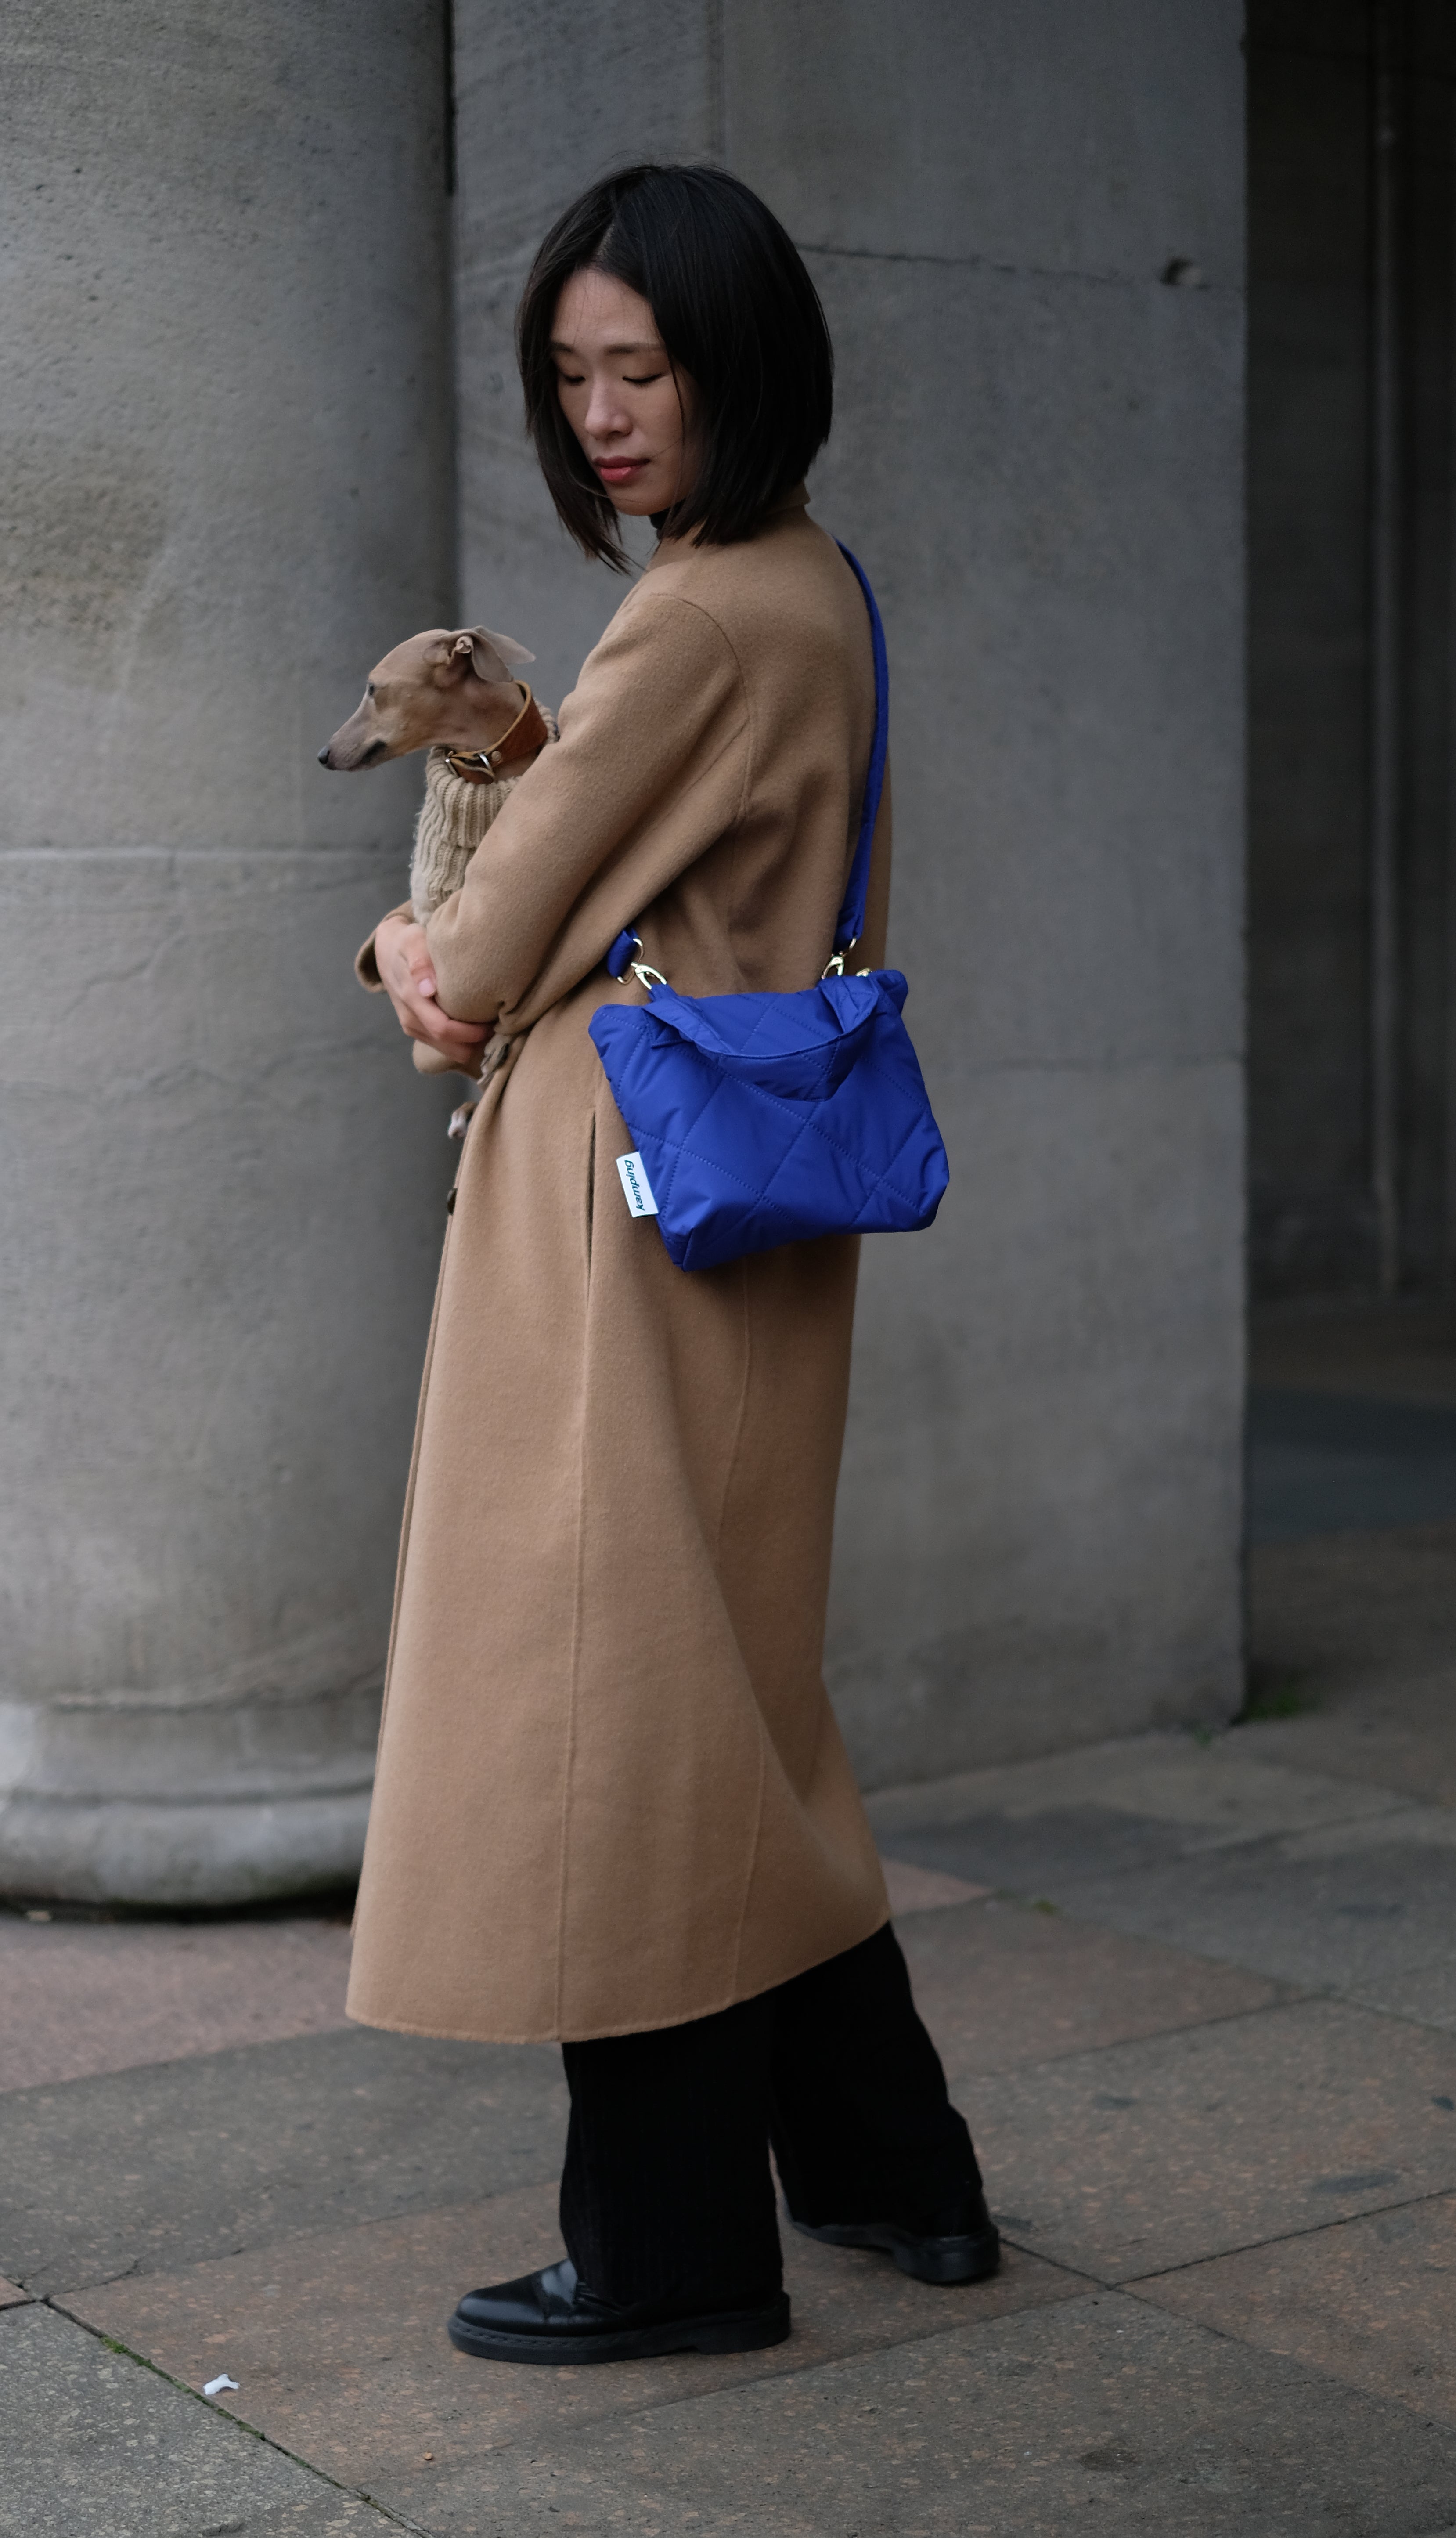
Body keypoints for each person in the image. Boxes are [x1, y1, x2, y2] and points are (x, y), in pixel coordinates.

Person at [349, 163, 997, 2366]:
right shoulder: (820, 589)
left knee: (607, 1718)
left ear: (741, 366)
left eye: (643, 368)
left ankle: (670, 2254)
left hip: (617, 1219)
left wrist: (401, 941)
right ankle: (901, 2178)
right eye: (570, 375)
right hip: (750, 1203)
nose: (604, 415)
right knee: (732, 1702)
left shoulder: (697, 616)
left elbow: (480, 963)